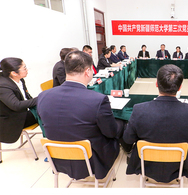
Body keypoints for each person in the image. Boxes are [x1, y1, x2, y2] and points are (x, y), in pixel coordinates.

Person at [37, 50, 124, 182]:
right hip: (91, 159)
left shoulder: (43, 96)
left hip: (57, 158)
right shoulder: (98, 100)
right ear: (88, 71)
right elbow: (111, 132)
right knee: (120, 124)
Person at [123, 64, 188, 183]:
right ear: (180, 87)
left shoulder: (139, 110)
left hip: (146, 164)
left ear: (156, 84)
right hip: (179, 165)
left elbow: (128, 139)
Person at [0, 57, 39, 149]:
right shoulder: (3, 86)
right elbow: (16, 105)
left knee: (47, 109)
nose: (27, 70)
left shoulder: (20, 79)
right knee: (47, 113)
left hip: (22, 113)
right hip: (11, 120)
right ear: (14, 73)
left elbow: (26, 97)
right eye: (24, 68)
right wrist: (40, 98)